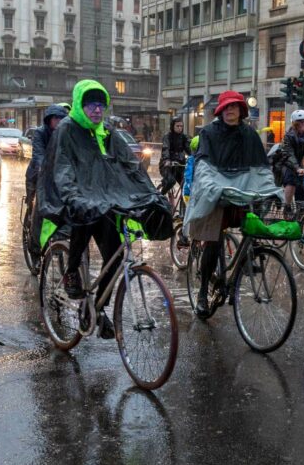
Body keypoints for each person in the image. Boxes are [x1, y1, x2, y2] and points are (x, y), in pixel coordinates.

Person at [37, 79, 165, 338]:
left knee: (116, 256)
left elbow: (130, 166)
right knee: (82, 226)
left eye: (100, 105)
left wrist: (150, 195)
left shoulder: (108, 132)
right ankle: (71, 272)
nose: (96, 110)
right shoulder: (66, 130)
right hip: (80, 198)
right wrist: (74, 197)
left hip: (105, 199)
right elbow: (61, 168)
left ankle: (98, 308)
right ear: (79, 106)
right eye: (91, 105)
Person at [184, 90, 278, 318]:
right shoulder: (208, 132)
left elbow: (261, 166)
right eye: (226, 107)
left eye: (234, 107)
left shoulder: (249, 135)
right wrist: (213, 186)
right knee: (213, 240)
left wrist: (271, 189)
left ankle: (246, 260)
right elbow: (204, 164)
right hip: (214, 191)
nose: (230, 111)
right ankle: (203, 293)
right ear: (220, 111)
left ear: (241, 110)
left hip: (240, 191)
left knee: (253, 226)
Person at [24, 104, 68, 259]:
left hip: (59, 178)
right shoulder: (40, 133)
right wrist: (45, 168)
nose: (59, 121)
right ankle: (34, 250)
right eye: (56, 118)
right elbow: (38, 155)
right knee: (38, 211)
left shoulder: (66, 134)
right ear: (49, 120)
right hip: (38, 176)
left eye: (62, 118)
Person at [274, 109, 304, 210]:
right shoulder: (288, 136)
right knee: (291, 181)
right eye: (300, 122)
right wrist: (297, 168)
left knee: (301, 184)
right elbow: (289, 154)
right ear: (295, 123)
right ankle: (287, 206)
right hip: (285, 162)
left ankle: (300, 208)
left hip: (298, 163)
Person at [159, 116, 191, 196]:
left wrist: (196, 156)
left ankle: (184, 206)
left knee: (186, 184)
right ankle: (160, 197)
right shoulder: (167, 137)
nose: (180, 128)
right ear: (172, 126)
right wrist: (167, 160)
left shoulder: (184, 137)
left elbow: (189, 149)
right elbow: (165, 148)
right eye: (177, 126)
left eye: (181, 126)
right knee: (170, 181)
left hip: (180, 165)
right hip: (167, 165)